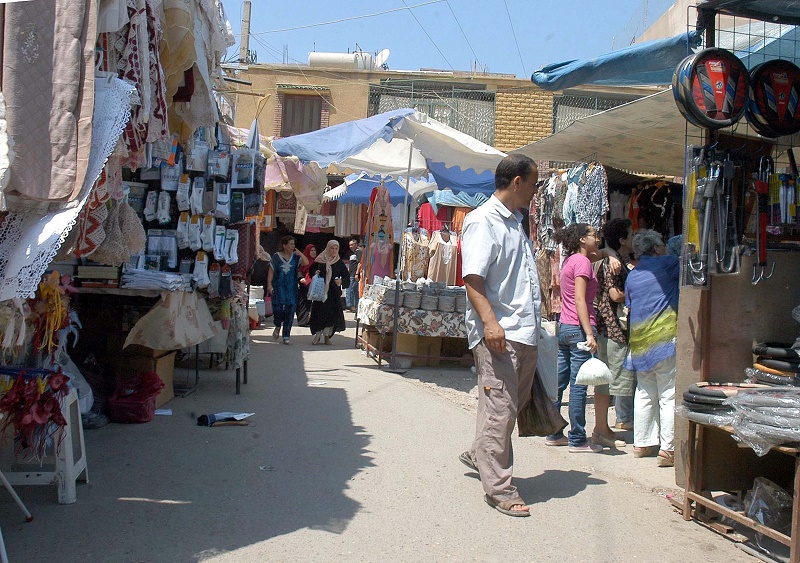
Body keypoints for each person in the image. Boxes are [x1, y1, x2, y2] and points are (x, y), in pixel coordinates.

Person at [457, 154, 540, 518]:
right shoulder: (482, 221)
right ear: (518, 181)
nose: (536, 192)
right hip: (500, 334)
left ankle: (481, 453)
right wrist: (491, 324)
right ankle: (501, 490)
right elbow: (473, 281)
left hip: (524, 332)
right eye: (534, 184)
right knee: (500, 409)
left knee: (506, 408)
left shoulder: (516, 223)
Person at [544, 223, 617, 453]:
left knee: (560, 382)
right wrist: (588, 333)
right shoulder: (583, 263)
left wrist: (609, 253)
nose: (598, 238)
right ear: (582, 240)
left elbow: (599, 253)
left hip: (564, 327)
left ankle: (554, 432)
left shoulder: (570, 260)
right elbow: (579, 299)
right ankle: (577, 439)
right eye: (594, 235)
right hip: (579, 328)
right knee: (579, 386)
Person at [624, 229, 680, 467]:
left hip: (639, 344)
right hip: (664, 339)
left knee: (645, 392)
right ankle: (668, 449)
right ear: (656, 248)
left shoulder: (632, 276)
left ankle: (642, 443)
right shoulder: (668, 264)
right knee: (668, 394)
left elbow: (629, 304)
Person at [594, 218, 636, 437]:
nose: (634, 237)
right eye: (631, 234)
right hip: (613, 327)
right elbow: (614, 294)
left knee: (608, 379)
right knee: (612, 378)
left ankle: (605, 427)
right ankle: (609, 425)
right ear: (622, 239)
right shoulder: (614, 262)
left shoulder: (618, 258)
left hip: (609, 326)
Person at [267, 236, 308, 345]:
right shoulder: (276, 257)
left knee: (290, 311)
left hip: (291, 288)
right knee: (278, 309)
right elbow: (271, 271)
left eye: (293, 244)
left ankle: (286, 335)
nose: (292, 246)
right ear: (284, 245)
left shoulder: (295, 257)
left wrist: (299, 252)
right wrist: (269, 285)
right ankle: (277, 325)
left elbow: (306, 262)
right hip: (278, 287)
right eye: (290, 244)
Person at [309, 240, 350, 345]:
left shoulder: (338, 262)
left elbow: (346, 276)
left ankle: (327, 336)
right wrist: (315, 272)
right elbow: (311, 270)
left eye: (336, 249)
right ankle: (317, 336)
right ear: (328, 248)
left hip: (333, 294)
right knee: (318, 314)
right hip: (320, 293)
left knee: (331, 315)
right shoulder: (320, 260)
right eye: (332, 248)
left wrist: (341, 281)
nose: (334, 251)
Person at [295, 244, 317, 327]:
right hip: (305, 284)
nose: (313, 252)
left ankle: (310, 320)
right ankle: (302, 321)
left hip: (314, 285)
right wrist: (301, 278)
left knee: (313, 303)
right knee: (303, 302)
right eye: (311, 250)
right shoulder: (303, 260)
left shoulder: (317, 261)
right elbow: (298, 270)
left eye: (314, 250)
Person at [346, 238, 362, 313]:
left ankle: (352, 306)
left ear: (356, 244)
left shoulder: (358, 252)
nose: (351, 246)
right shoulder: (352, 254)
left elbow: (359, 263)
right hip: (350, 274)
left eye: (352, 245)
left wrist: (357, 274)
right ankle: (355, 306)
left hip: (354, 275)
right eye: (350, 245)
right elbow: (351, 264)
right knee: (353, 290)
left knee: (351, 290)